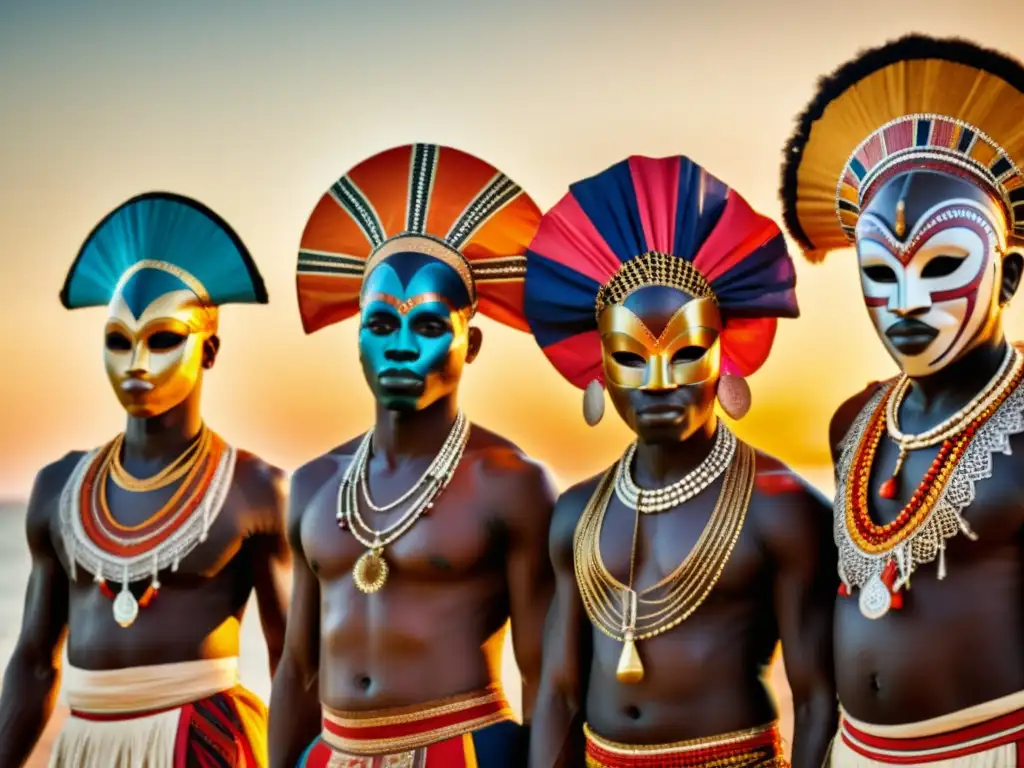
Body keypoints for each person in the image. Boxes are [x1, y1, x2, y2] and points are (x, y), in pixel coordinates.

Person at [524, 154, 837, 768]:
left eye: (687, 351)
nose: (660, 381)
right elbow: (559, 696)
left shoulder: (783, 510)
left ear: (726, 355)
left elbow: (819, 697)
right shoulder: (575, 514)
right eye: (632, 357)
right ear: (599, 371)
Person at [269, 143, 556, 767]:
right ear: (358, 339)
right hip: (333, 753)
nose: (399, 346)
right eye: (380, 325)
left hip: (466, 751)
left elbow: (547, 680)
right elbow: (296, 671)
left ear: (470, 343)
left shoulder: (510, 484)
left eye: (427, 327)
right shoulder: (316, 484)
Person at [780, 33, 1024, 767]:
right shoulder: (853, 423)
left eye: (944, 265)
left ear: (1009, 276)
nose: (907, 302)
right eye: (882, 271)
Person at [0, 193, 290, 767]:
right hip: (82, 746)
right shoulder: (59, 489)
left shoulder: (256, 491)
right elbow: (34, 662)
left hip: (204, 742)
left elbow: (295, 665)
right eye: (117, 340)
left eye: (161, 340)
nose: (136, 362)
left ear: (209, 351)